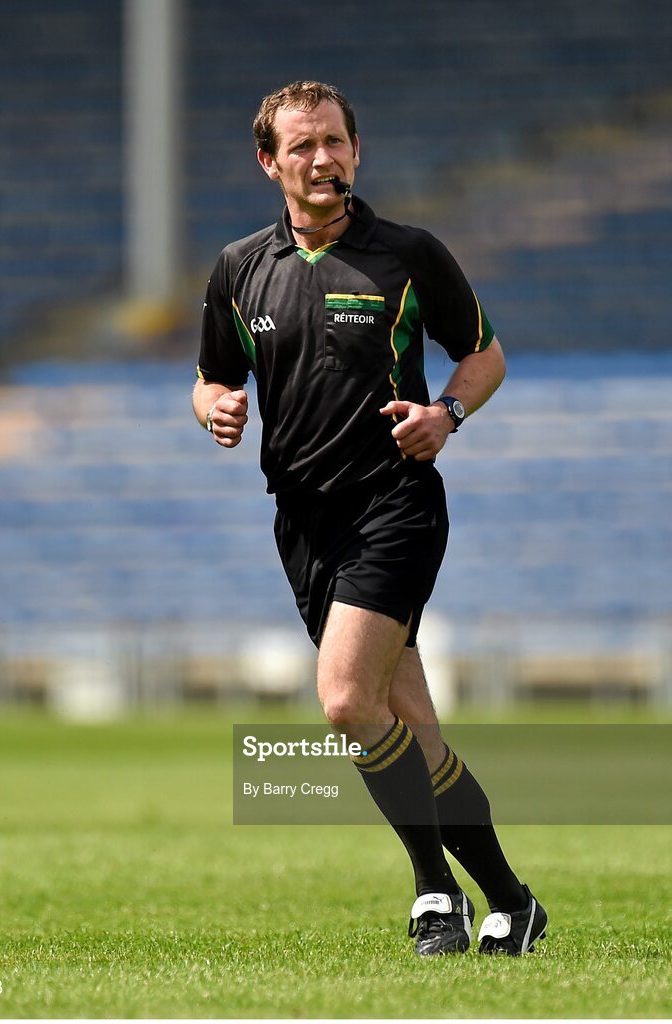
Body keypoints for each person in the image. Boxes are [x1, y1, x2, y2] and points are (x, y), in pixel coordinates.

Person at [193, 80, 547, 957]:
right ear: (269, 162)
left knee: (348, 702)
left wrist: (446, 417)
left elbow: (483, 355)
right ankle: (509, 900)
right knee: (409, 725)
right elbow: (211, 377)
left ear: (356, 152)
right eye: (302, 146)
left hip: (393, 506)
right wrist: (213, 409)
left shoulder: (408, 254)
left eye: (335, 142)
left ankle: (435, 895)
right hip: (301, 522)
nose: (322, 159)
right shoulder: (240, 267)